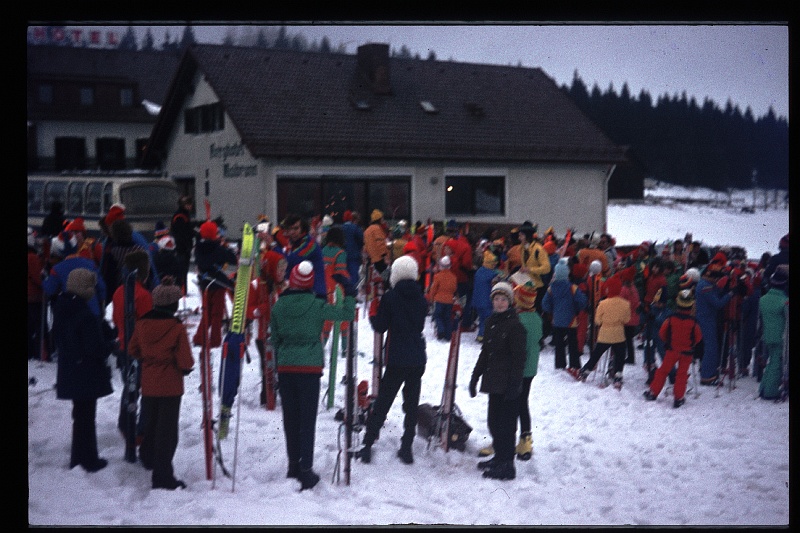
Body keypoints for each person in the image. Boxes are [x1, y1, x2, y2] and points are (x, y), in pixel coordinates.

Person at [270, 261, 356, 490]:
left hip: (286, 367)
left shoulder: (278, 306)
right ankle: (306, 470)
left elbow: (275, 339)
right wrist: (349, 293)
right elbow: (347, 314)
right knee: (307, 421)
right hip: (309, 368)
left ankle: (292, 466)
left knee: (290, 419)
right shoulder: (318, 305)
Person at [358, 255, 428, 466]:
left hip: (397, 356)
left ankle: (368, 443)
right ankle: (407, 447)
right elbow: (420, 325)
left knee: (384, 401)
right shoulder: (421, 298)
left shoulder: (391, 297)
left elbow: (380, 326)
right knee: (411, 404)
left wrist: (373, 312)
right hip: (417, 357)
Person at [128, 278, 194, 490]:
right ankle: (162, 476)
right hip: (170, 385)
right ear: (173, 304)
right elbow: (185, 360)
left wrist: (149, 360)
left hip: (149, 382)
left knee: (151, 423)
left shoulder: (142, 323)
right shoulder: (176, 327)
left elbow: (132, 349)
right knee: (167, 432)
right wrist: (183, 367)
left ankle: (147, 456)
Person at [52, 268, 115, 473]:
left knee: (80, 417)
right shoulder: (84, 314)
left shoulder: (63, 307)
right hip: (85, 373)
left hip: (71, 370)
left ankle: (78, 457)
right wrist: (111, 345)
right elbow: (94, 348)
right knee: (86, 418)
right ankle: (88, 459)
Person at [468, 281, 527, 480]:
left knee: (506, 426)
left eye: (503, 299)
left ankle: (507, 466)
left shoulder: (515, 326)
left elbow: (519, 359)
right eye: (496, 299)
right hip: (493, 381)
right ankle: (499, 458)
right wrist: (475, 377)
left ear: (509, 302)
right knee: (493, 423)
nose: (499, 303)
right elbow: (485, 352)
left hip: (508, 384)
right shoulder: (491, 322)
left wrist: (515, 385)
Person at [644, 289, 704, 408]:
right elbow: (698, 337)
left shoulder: (671, 319)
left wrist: (668, 342)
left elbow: (662, 333)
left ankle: (653, 392)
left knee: (663, 371)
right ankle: (678, 398)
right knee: (682, 375)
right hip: (687, 353)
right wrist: (691, 344)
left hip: (672, 350)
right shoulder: (693, 322)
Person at [578, 275, 631, 387]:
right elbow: (627, 320)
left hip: (605, 334)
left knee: (596, 354)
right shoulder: (625, 304)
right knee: (620, 356)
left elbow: (597, 320)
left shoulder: (603, 303)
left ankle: (585, 371)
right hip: (618, 334)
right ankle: (618, 376)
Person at [192, 220, 237, 349]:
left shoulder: (198, 249)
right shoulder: (218, 249)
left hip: (204, 283)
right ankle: (215, 340)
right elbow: (233, 259)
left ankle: (199, 337)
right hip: (218, 283)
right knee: (217, 314)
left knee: (206, 313)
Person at [542, 258, 587, 376]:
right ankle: (574, 364)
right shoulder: (572, 287)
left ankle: (560, 364)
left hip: (557, 320)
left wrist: (552, 310)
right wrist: (577, 308)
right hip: (571, 320)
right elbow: (582, 301)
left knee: (559, 343)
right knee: (573, 343)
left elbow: (545, 303)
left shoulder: (551, 288)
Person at [513, 283, 542, 461]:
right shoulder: (537, 318)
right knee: (523, 402)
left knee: (512, 404)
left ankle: (506, 438)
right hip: (530, 368)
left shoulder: (519, 320)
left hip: (518, 369)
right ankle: (526, 439)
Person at [695, 253, 733, 385]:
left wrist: (723, 287)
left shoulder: (705, 284)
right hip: (706, 319)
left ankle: (709, 371)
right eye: (715, 277)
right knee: (711, 348)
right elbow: (718, 303)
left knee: (712, 347)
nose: (716, 280)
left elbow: (716, 292)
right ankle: (706, 375)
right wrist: (731, 294)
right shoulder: (705, 286)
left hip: (707, 318)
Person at [757, 266, 789, 400]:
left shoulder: (763, 299)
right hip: (781, 337)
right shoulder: (784, 301)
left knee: (771, 362)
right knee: (777, 364)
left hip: (768, 335)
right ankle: (770, 391)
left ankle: (763, 388)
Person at [280, 214, 327, 299]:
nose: (292, 232)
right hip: (302, 293)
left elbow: (292, 260)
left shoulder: (310, 244)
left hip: (315, 294)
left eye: (296, 228)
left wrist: (273, 245)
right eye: (289, 229)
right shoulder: (293, 244)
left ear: (303, 229)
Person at [472, 249, 503, 342]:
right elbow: (500, 275)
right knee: (487, 319)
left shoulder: (479, 271)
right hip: (486, 302)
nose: (494, 266)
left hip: (477, 301)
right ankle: (484, 336)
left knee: (482, 319)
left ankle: (480, 335)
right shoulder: (491, 274)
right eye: (493, 264)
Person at [427, 255, 458, 341]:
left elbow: (433, 289)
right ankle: (448, 335)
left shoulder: (437, 276)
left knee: (438, 316)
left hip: (439, 300)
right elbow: (454, 289)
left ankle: (441, 331)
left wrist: (431, 299)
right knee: (447, 318)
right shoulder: (453, 277)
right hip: (449, 301)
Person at [170, 196, 196, 293]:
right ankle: (181, 291)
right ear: (184, 205)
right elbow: (183, 233)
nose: (191, 206)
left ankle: (183, 290)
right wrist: (187, 244)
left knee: (183, 270)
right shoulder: (180, 216)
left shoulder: (184, 214)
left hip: (184, 247)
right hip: (181, 248)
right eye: (189, 204)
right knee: (182, 271)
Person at [28, 227, 45, 360]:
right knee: (37, 326)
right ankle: (38, 351)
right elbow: (38, 278)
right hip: (34, 297)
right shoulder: (32, 257)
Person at [341, 210, 364, 289]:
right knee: (354, 275)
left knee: (345, 275)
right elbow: (361, 239)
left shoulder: (341, 228)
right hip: (354, 255)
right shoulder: (355, 228)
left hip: (343, 255)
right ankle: (353, 291)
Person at [363, 209, 390, 274]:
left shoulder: (367, 231)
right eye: (382, 218)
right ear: (379, 219)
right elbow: (380, 243)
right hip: (380, 259)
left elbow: (365, 247)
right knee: (386, 277)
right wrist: (385, 256)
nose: (383, 220)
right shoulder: (377, 229)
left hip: (373, 259)